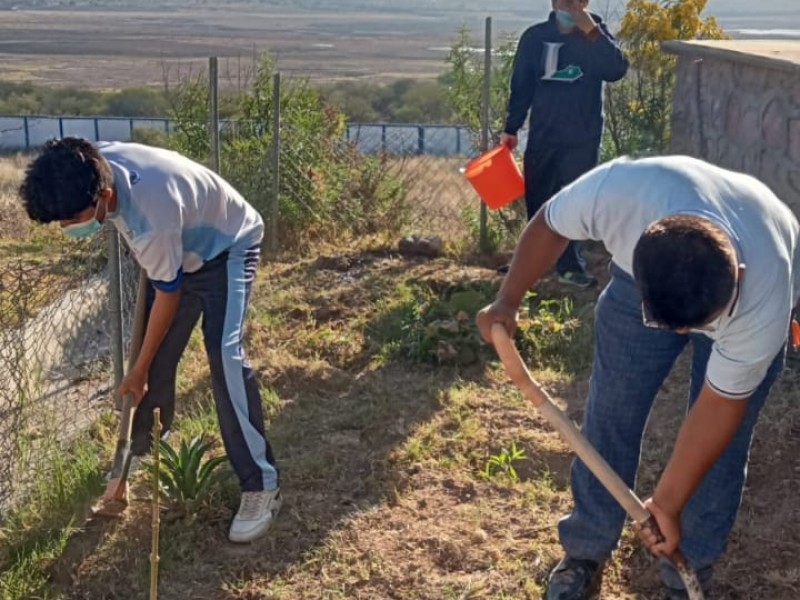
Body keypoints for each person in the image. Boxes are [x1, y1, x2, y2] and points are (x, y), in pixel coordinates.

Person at [476, 155, 800, 599]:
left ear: (736, 277)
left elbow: (717, 410)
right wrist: (507, 301)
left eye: (694, 323)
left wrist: (665, 504)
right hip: (650, 277)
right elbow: (550, 222)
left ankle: (688, 573)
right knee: (611, 411)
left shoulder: (763, 297)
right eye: (670, 322)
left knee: (722, 451)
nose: (683, 333)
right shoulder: (621, 194)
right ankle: (585, 551)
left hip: (750, 283)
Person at [19, 137, 281, 544]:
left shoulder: (151, 218)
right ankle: (140, 453)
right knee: (152, 355)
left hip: (228, 244)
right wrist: (144, 365)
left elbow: (169, 294)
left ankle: (260, 485)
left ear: (104, 195)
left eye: (72, 219)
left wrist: (137, 372)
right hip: (180, 243)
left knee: (224, 356)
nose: (68, 228)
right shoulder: (88, 159)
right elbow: (164, 288)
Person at [500, 0, 628, 288]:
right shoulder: (535, 37)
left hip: (582, 137)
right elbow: (521, 85)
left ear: (584, 3)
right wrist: (512, 127)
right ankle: (530, 262)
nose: (566, 6)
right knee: (538, 198)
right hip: (543, 134)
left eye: (573, 2)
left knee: (574, 202)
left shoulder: (596, 36)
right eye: (561, 0)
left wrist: (592, 32)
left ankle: (570, 266)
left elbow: (616, 70)